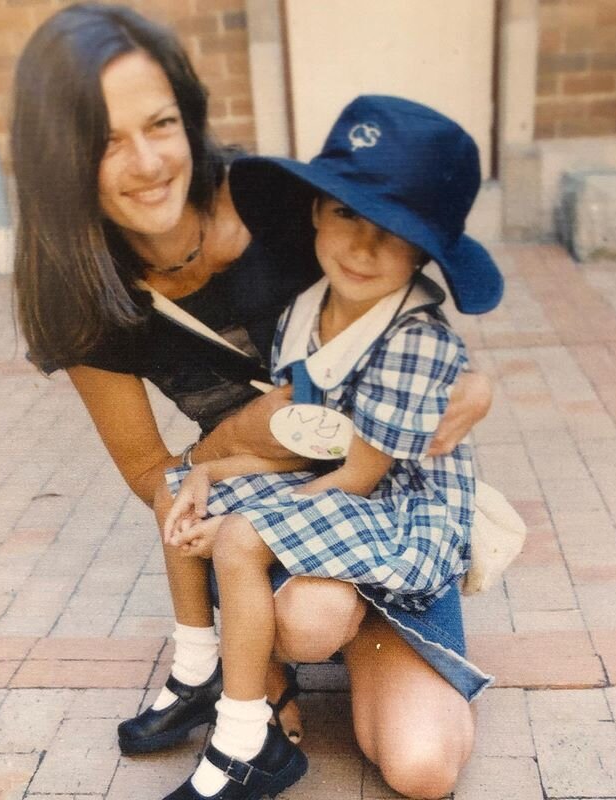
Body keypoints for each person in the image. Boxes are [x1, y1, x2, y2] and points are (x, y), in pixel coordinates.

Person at [11, 5, 494, 798]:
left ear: (189, 119)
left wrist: (475, 382)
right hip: (277, 498)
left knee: (422, 765)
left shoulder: (279, 207)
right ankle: (245, 679)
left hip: (379, 498)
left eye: (160, 123)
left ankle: (332, 644)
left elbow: (406, 289)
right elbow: (149, 471)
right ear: (56, 157)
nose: (146, 162)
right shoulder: (74, 291)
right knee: (309, 614)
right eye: (102, 140)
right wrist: (237, 446)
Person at [160, 96, 502, 800]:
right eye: (348, 213)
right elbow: (301, 439)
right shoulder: (301, 311)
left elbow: (356, 474)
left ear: (426, 250)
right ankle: (229, 703)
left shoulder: (416, 340)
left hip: (396, 525)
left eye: (395, 231)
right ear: (316, 211)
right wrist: (203, 470)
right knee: (180, 488)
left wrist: (243, 532)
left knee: (421, 771)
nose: (363, 247)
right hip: (334, 499)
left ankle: (366, 657)